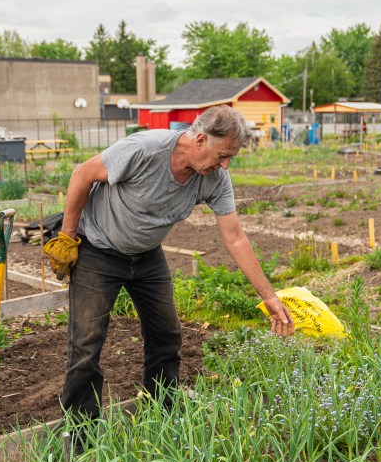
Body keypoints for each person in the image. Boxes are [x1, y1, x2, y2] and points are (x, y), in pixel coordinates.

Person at [44, 105, 295, 422]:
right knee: (86, 343)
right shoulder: (143, 150)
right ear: (201, 140)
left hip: (147, 255)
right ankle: (80, 434)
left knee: (166, 335)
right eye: (223, 155)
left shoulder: (215, 178)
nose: (226, 164)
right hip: (99, 249)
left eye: (232, 157)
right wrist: (68, 237)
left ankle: (160, 412)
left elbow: (234, 237)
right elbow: (82, 173)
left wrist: (269, 297)